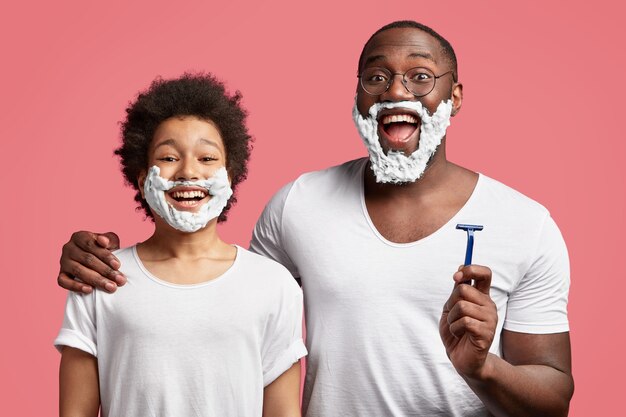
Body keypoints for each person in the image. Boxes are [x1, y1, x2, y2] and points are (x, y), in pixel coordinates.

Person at [57, 21, 574, 417]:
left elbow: (555, 396)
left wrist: (484, 369)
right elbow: (212, 288)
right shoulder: (299, 204)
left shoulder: (524, 224)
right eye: (377, 77)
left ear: (454, 97)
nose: (396, 91)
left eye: (421, 77)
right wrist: (97, 259)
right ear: (358, 97)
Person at [54, 74, 307, 417]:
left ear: (229, 178)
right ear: (143, 180)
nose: (188, 171)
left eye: (206, 158)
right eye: (169, 158)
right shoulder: (102, 277)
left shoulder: (273, 285)